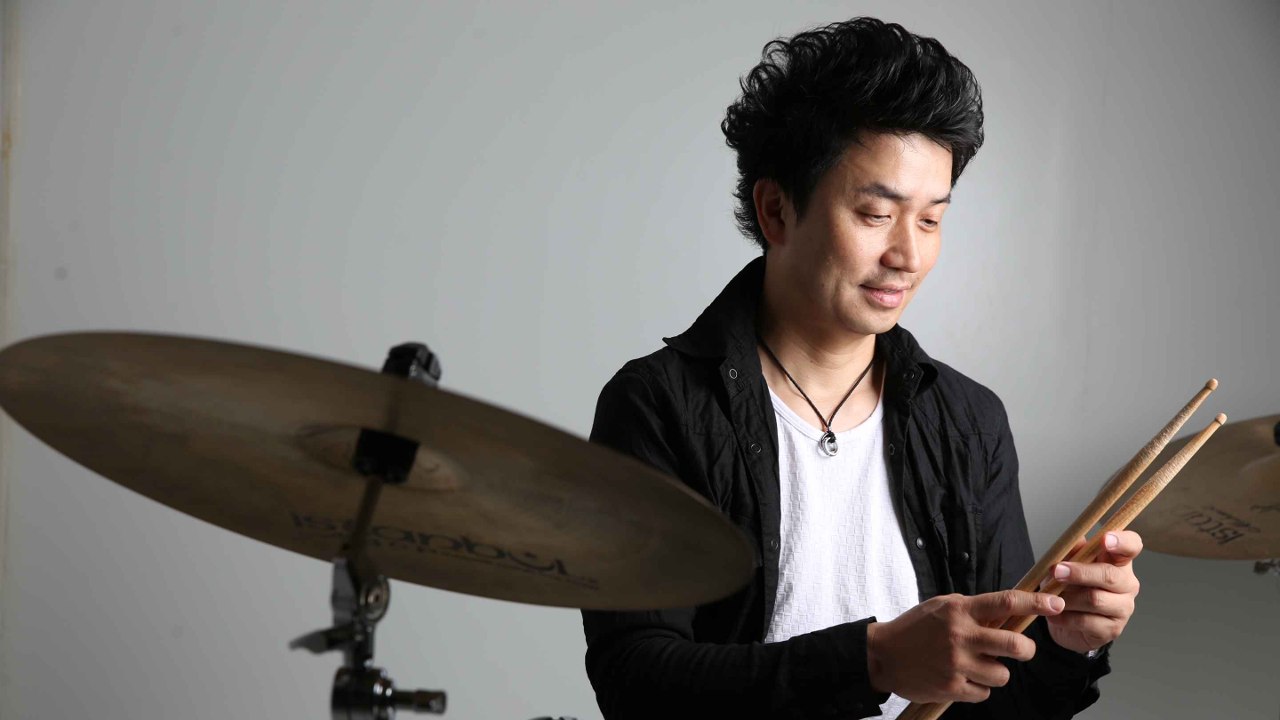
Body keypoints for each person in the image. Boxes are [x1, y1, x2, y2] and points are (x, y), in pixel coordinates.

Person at [580, 16, 1142, 720]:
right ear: (776, 210)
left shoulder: (968, 421)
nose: (908, 255)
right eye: (876, 214)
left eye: (931, 219)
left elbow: (1008, 703)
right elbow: (635, 680)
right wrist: (871, 661)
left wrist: (1067, 643)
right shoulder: (660, 405)